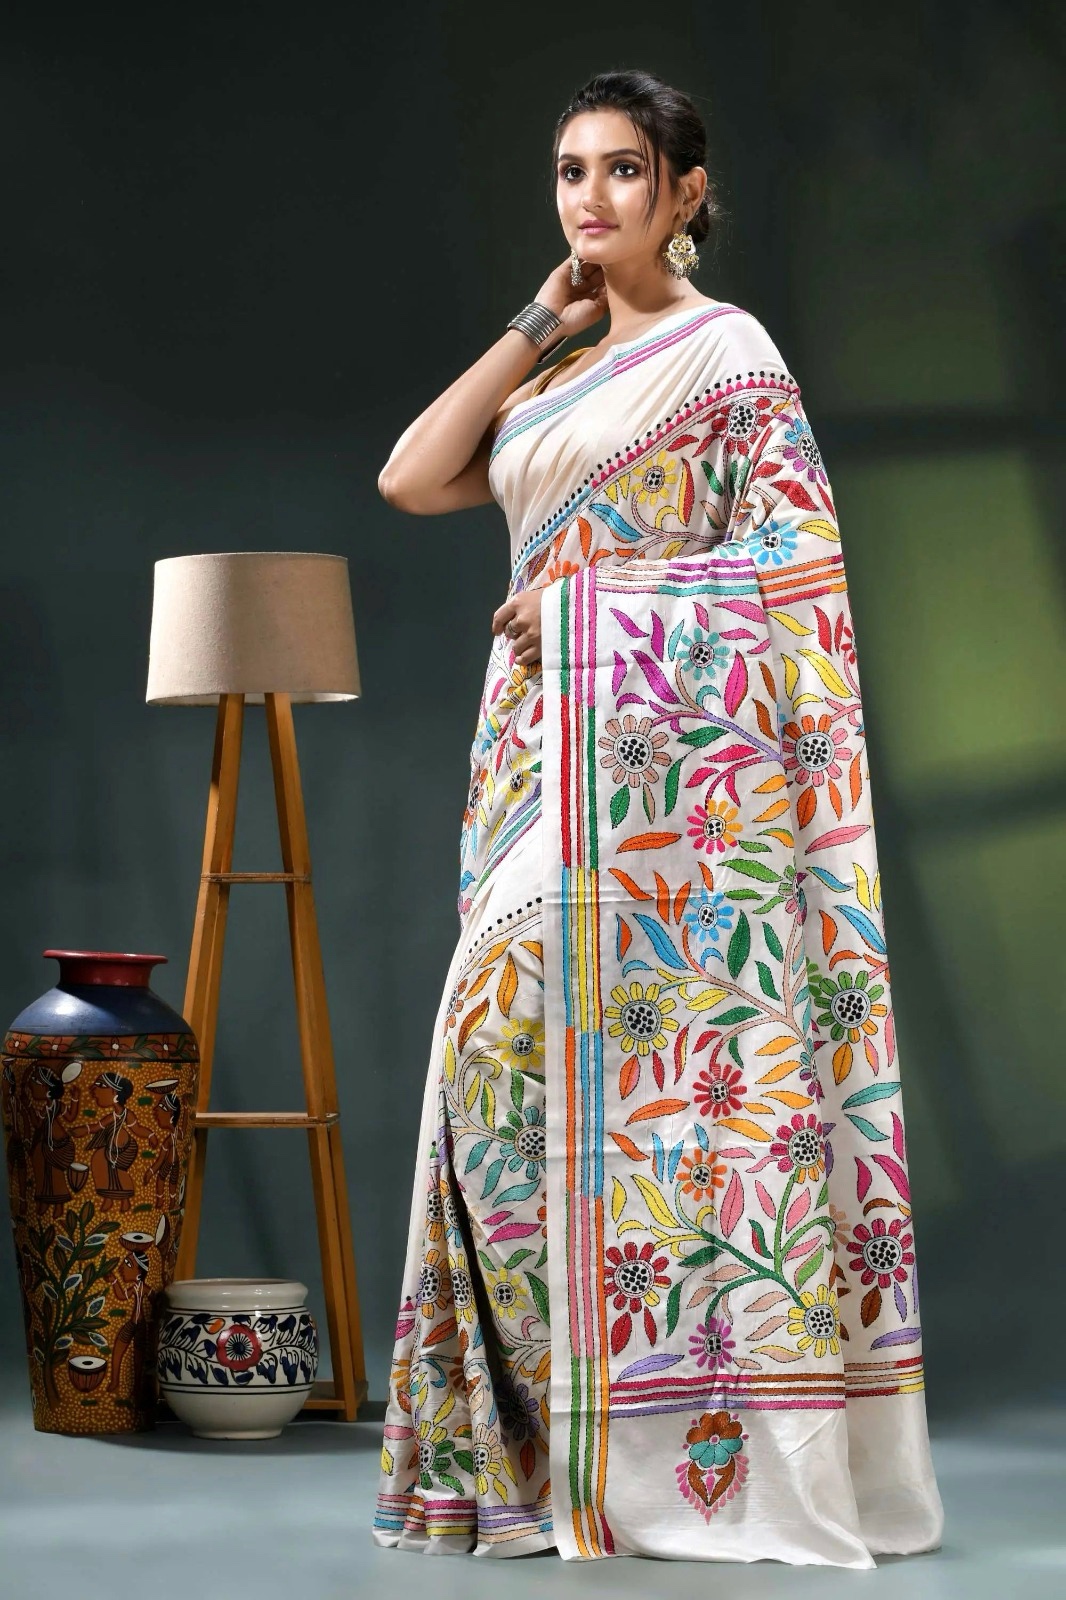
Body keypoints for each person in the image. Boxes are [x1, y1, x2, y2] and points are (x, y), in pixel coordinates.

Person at [373, 68, 944, 1566]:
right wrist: (534, 319)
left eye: (623, 169)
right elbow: (411, 478)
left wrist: (593, 607)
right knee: (490, 1081)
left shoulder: (728, 354)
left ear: (686, 192)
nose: (590, 196)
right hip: (526, 773)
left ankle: (644, 1460)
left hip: (663, 797)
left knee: (623, 1097)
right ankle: (523, 1446)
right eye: (571, 170)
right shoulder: (557, 373)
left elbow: (795, 572)